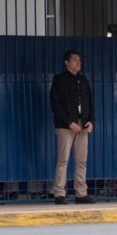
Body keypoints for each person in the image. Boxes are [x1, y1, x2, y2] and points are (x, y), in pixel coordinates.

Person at [49, 50, 96, 205]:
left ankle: (81, 193)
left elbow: (90, 102)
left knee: (82, 160)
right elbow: (55, 104)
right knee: (63, 160)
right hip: (65, 126)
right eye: (75, 60)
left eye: (79, 60)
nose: (78, 63)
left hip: (83, 126)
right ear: (66, 62)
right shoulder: (59, 80)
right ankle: (59, 193)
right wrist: (69, 122)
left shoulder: (83, 80)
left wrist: (90, 120)